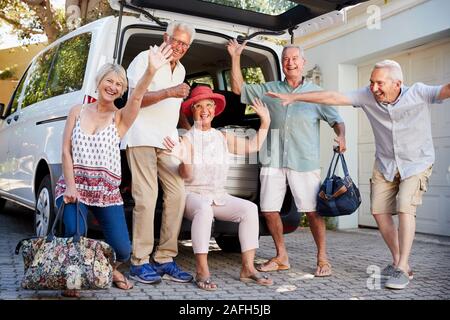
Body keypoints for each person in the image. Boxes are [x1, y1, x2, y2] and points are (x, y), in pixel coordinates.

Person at [267, 59, 450, 289]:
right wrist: (295, 97)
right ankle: (398, 261)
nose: (374, 88)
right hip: (385, 164)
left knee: (405, 205)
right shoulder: (367, 95)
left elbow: (446, 90)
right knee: (378, 212)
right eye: (371, 82)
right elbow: (333, 97)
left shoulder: (419, 93)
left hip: (416, 162)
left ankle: (402, 267)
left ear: (398, 83)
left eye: (380, 83)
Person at [54, 43, 174, 297]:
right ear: (99, 82)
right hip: (74, 187)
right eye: (109, 81)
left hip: (106, 192)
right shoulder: (77, 111)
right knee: (75, 234)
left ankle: (110, 269)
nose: (113, 87)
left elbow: (138, 97)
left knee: (122, 250)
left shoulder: (119, 117)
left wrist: (151, 71)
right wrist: (72, 186)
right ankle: (73, 278)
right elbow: (65, 151)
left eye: (119, 85)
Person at [227, 40, 346, 277]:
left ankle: (322, 257)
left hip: (304, 160)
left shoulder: (315, 94)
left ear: (303, 63)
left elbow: (337, 120)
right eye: (286, 59)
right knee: (269, 210)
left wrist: (341, 136)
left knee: (313, 211)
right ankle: (281, 256)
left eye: (294, 59)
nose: (290, 63)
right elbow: (238, 88)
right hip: (272, 159)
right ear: (282, 64)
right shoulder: (270, 89)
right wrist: (235, 57)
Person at [162, 85, 273, 290]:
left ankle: (248, 268)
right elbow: (185, 175)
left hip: (218, 195)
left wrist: (265, 122)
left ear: (215, 109)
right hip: (192, 196)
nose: (204, 110)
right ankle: (202, 270)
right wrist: (185, 159)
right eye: (198, 106)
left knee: (250, 209)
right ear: (192, 110)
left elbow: (253, 146)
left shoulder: (222, 137)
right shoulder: (187, 139)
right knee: (204, 210)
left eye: (208, 105)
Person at [122, 21, 195, 284]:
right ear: (166, 36)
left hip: (167, 140)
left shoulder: (182, 68)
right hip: (140, 136)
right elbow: (135, 99)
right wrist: (169, 92)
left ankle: (164, 257)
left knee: (177, 194)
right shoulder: (146, 59)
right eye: (176, 40)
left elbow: (173, 110)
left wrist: (185, 133)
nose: (180, 47)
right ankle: (139, 262)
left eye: (185, 44)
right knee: (147, 197)